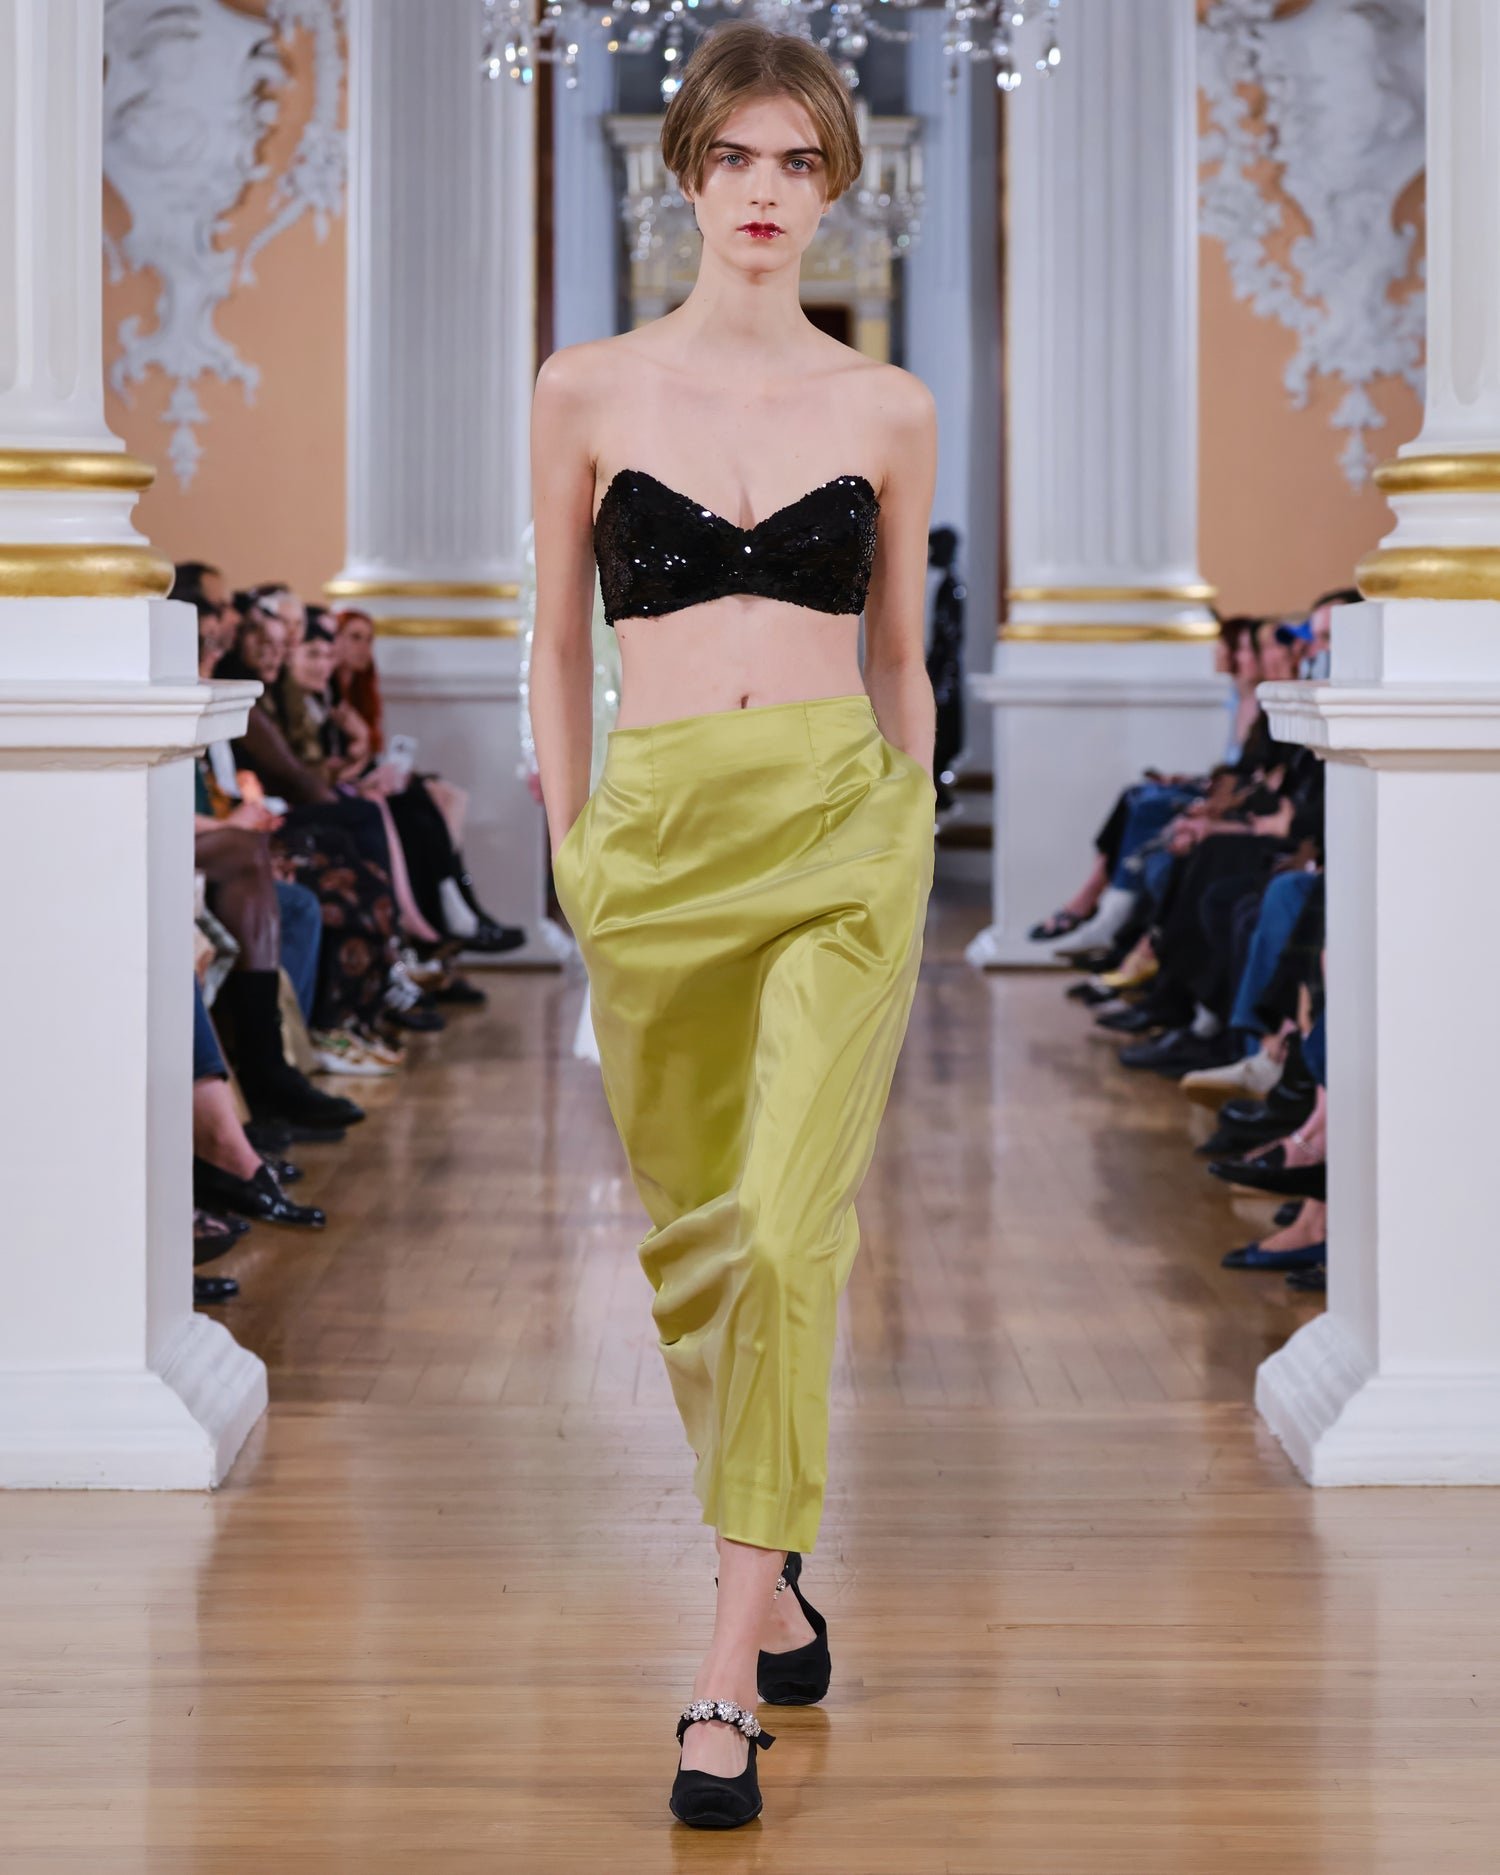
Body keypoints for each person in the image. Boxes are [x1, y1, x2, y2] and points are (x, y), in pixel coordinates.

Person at [528, 22, 937, 1831]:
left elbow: (903, 659)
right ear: (684, 173)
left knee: (786, 1233)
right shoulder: (586, 389)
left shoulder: (888, 407)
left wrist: (908, 823)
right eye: (737, 159)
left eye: (801, 163)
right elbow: (555, 645)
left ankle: (718, 1681)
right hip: (657, 848)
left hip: (844, 836)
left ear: (835, 186)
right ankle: (774, 1580)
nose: (767, 192)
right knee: (701, 1245)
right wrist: (574, 851)